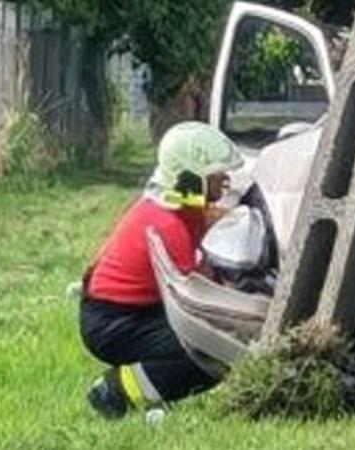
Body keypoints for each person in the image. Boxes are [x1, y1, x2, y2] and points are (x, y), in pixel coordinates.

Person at [79, 121, 243, 419]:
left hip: (128, 310)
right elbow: (195, 297)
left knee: (203, 344)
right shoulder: (168, 224)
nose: (225, 179)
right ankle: (115, 393)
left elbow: (212, 225)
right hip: (114, 322)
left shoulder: (179, 207)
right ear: (193, 179)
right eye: (217, 175)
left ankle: (145, 385)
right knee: (208, 351)